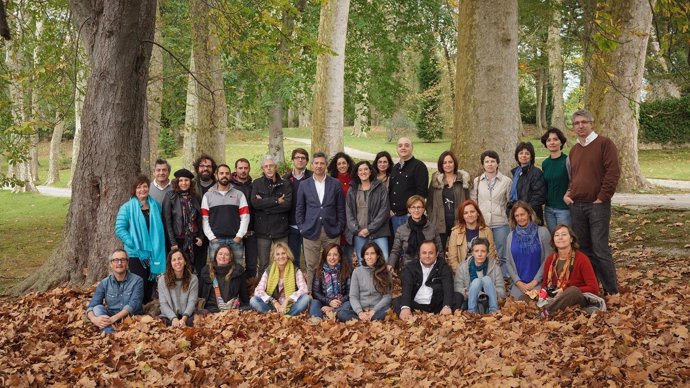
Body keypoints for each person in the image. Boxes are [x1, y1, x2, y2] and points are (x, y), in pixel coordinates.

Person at [564, 109, 621, 295]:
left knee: (600, 248)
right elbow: (574, 177)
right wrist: (570, 193)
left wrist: (602, 198)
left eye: (584, 122)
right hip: (577, 206)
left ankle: (612, 291)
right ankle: (593, 289)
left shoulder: (604, 144)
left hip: (597, 205)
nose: (580, 126)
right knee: (585, 250)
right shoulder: (574, 150)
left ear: (591, 123)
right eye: (577, 123)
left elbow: (612, 173)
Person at [295, 152, 346, 291]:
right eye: (316, 163)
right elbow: (299, 209)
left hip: (331, 231)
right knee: (311, 265)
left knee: (334, 263)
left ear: (326, 165)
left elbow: (340, 208)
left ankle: (334, 293)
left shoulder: (335, 183)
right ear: (312, 165)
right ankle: (311, 294)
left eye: (322, 163)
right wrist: (302, 228)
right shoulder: (304, 185)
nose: (319, 166)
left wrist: (340, 226)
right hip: (310, 231)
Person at [115, 174, 166, 304]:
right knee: (140, 281)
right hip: (136, 253)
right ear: (134, 190)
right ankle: (136, 307)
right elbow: (120, 229)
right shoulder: (127, 207)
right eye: (139, 187)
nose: (142, 190)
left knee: (150, 282)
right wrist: (134, 243)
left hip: (153, 252)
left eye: (144, 186)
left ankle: (147, 308)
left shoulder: (155, 206)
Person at [539, 225, 600, 317]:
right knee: (525, 296)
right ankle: (545, 309)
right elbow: (544, 284)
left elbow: (594, 288)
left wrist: (564, 290)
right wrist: (543, 293)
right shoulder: (550, 259)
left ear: (571, 239)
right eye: (557, 235)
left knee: (573, 291)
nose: (560, 237)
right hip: (554, 297)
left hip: (576, 297)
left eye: (563, 234)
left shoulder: (582, 259)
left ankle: (547, 312)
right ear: (553, 240)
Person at [393, 240, 463, 320]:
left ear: (436, 254)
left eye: (430, 253)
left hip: (436, 305)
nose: (427, 256)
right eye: (424, 253)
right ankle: (410, 318)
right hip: (416, 304)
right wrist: (405, 307)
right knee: (397, 301)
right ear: (419, 254)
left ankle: (442, 316)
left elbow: (448, 287)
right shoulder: (410, 267)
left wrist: (447, 306)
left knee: (458, 297)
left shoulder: (443, 267)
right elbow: (407, 287)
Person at [471, 150, 512, 277]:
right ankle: (488, 276)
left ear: (497, 163)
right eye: (487, 161)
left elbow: (510, 202)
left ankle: (504, 277)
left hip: (501, 222)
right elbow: (474, 202)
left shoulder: (506, 181)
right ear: (483, 164)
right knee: (485, 251)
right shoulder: (477, 181)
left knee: (502, 252)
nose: (490, 164)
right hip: (484, 223)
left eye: (492, 161)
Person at [251, 155, 293, 277]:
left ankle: (284, 288)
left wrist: (264, 205)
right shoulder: (257, 183)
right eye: (266, 166)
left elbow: (287, 205)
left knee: (284, 260)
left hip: (281, 229)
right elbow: (255, 203)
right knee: (263, 263)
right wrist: (276, 201)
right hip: (262, 230)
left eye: (271, 166)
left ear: (275, 167)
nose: (269, 169)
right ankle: (261, 290)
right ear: (262, 169)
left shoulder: (285, 184)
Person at [201, 164, 250, 267]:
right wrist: (211, 237)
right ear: (216, 175)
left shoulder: (239, 194)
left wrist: (239, 236)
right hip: (216, 240)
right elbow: (204, 219)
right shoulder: (208, 196)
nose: (224, 175)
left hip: (235, 240)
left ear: (231, 175)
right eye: (221, 173)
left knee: (237, 269)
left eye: (227, 173)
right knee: (215, 270)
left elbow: (245, 216)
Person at [85, 250, 144, 334]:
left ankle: (110, 333)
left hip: (131, 318)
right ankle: (110, 334)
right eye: (116, 260)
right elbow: (92, 306)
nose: (119, 263)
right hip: (110, 316)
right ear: (111, 264)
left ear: (127, 263)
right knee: (97, 308)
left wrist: (113, 319)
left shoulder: (137, 280)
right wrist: (95, 320)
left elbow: (134, 304)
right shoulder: (104, 283)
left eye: (123, 260)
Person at [345, 160, 391, 265]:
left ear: (370, 171)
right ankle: (365, 282)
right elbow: (349, 212)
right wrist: (357, 230)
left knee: (384, 258)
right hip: (359, 233)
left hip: (379, 232)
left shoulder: (380, 188)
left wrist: (369, 229)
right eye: (360, 170)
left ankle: (381, 281)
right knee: (363, 262)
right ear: (357, 173)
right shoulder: (352, 190)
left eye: (366, 169)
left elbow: (384, 211)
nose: (363, 172)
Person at [505, 201, 552, 299]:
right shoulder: (510, 236)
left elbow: (548, 259)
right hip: (519, 285)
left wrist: (535, 281)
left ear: (529, 213)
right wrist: (518, 282)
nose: (520, 218)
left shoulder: (542, 232)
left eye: (522, 214)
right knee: (517, 309)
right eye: (517, 215)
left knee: (538, 309)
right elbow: (508, 262)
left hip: (538, 283)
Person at [250, 242, 311, 316]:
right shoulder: (269, 271)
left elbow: (304, 289)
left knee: (306, 298)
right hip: (273, 307)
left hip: (291, 306)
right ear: (274, 257)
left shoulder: (296, 270)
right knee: (253, 300)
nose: (281, 256)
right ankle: (275, 315)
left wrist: (287, 300)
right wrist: (274, 302)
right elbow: (258, 290)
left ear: (288, 255)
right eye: (278, 254)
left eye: (283, 253)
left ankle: (287, 316)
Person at [162, 168, 204, 275]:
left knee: (194, 268)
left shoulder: (196, 197)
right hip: (178, 240)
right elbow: (167, 222)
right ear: (177, 182)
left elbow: (200, 219)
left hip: (194, 240)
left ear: (190, 182)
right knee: (179, 269)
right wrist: (172, 242)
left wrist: (201, 236)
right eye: (181, 180)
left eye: (186, 180)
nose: (183, 183)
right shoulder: (170, 196)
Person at [337, 242, 392, 322]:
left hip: (378, 310)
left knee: (386, 311)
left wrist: (374, 310)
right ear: (363, 256)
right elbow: (353, 296)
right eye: (366, 254)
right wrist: (360, 312)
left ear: (378, 255)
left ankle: (367, 319)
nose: (369, 257)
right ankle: (364, 319)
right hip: (361, 310)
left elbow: (387, 296)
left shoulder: (385, 271)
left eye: (372, 253)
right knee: (342, 314)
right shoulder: (357, 272)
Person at [427, 151, 470, 250]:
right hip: (440, 223)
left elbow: (468, 200)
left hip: (458, 222)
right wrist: (431, 217)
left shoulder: (463, 179)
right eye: (445, 163)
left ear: (454, 163)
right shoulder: (436, 179)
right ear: (441, 165)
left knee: (458, 252)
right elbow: (429, 201)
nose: (447, 165)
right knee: (439, 251)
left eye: (450, 162)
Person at [388, 195, 442, 272]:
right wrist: (391, 264)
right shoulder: (401, 230)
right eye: (413, 207)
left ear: (423, 209)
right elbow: (395, 250)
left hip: (429, 268)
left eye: (419, 207)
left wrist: (441, 267)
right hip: (408, 268)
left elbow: (439, 250)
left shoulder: (432, 229)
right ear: (409, 209)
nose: (416, 210)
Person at [389, 137, 429, 234]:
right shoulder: (395, 168)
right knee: (398, 247)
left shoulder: (419, 166)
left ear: (412, 148)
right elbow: (391, 190)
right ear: (396, 149)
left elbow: (421, 193)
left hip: (409, 217)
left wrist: (413, 213)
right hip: (394, 216)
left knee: (410, 247)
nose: (403, 148)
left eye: (407, 145)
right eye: (400, 146)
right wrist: (390, 209)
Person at [454, 238, 505, 314]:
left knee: (486, 279)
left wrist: (488, 292)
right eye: (476, 251)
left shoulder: (495, 267)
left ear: (487, 253)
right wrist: (475, 293)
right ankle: (472, 312)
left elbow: (502, 291)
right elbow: (458, 289)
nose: (480, 254)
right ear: (472, 253)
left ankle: (494, 311)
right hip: (470, 302)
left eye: (483, 251)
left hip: (488, 302)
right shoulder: (463, 267)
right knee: (476, 282)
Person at [447, 200, 498, 274]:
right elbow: (452, 259)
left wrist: (483, 273)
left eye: (472, 211)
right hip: (462, 273)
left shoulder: (487, 231)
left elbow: (491, 256)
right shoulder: (455, 232)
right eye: (466, 213)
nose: (469, 215)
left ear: (477, 213)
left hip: (483, 272)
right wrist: (463, 274)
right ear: (462, 216)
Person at [283, 148, 312, 268]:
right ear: (292, 160)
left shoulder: (312, 177)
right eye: (297, 157)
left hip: (309, 225)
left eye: (303, 158)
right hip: (291, 225)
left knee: (310, 259)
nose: (300, 160)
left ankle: (311, 285)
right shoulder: (285, 179)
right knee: (293, 259)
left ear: (307, 161)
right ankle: (295, 284)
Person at [230, 158, 258, 279]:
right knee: (236, 264)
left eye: (246, 168)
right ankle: (237, 289)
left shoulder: (254, 186)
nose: (243, 171)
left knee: (252, 264)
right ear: (235, 169)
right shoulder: (229, 187)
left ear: (249, 169)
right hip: (236, 232)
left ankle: (250, 288)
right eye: (240, 168)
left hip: (252, 231)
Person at [309, 243, 352, 323]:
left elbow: (350, 293)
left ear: (339, 257)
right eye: (329, 255)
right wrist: (329, 301)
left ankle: (333, 313)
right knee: (314, 302)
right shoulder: (318, 271)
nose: (332, 258)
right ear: (325, 257)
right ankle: (317, 320)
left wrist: (338, 303)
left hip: (340, 303)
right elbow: (316, 293)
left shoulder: (346, 270)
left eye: (335, 255)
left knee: (349, 303)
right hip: (324, 302)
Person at [199, 244, 249, 312]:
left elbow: (244, 294)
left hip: (233, 309)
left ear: (230, 258)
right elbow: (200, 293)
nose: (223, 256)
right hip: (211, 310)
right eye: (220, 254)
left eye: (226, 255)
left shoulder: (237, 271)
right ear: (216, 256)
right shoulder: (206, 272)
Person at [540, 128, 571, 233]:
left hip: (564, 209)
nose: (552, 142)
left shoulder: (567, 161)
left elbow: (574, 181)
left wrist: (568, 193)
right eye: (549, 140)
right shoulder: (545, 163)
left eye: (555, 139)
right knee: (554, 239)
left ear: (561, 142)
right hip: (548, 209)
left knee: (564, 238)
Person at [157, 249, 199, 327]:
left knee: (204, 314)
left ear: (185, 261)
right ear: (170, 263)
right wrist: (173, 319)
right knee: (157, 321)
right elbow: (163, 303)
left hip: (187, 316)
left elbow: (192, 302)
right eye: (174, 260)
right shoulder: (162, 280)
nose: (177, 262)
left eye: (180, 258)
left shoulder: (193, 279)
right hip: (169, 317)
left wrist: (184, 319)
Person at [509, 142, 547, 225]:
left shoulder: (536, 173)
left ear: (531, 157)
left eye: (527, 153)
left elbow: (539, 197)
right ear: (517, 156)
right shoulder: (516, 173)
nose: (524, 155)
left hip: (532, 215)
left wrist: (525, 211)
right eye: (521, 153)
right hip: (518, 216)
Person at [328, 151, 356, 263]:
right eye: (339, 164)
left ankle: (350, 277)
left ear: (348, 164)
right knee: (337, 252)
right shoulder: (332, 181)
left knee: (350, 253)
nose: (342, 166)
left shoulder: (355, 180)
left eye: (344, 163)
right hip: (337, 220)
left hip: (352, 219)